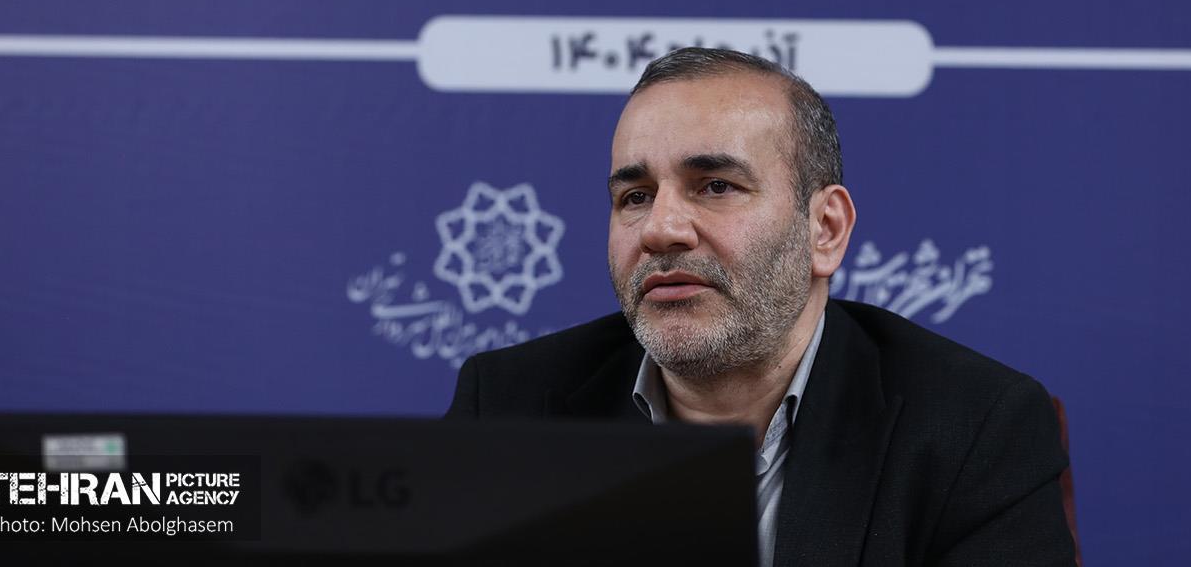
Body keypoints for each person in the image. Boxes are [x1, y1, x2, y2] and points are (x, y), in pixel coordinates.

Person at [446, 48, 1077, 567]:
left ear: (825, 229)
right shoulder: (507, 406)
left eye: (716, 186)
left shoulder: (973, 428)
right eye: (635, 196)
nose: (660, 229)